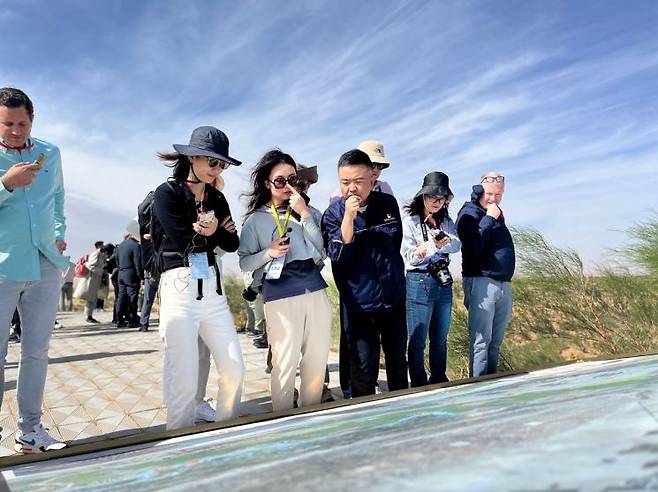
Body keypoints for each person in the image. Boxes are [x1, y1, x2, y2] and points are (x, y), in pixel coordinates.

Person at [152, 126, 244, 430]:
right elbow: (181, 240)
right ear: (192, 157)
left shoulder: (216, 196)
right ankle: (177, 440)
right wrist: (213, 234)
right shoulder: (167, 193)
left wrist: (213, 231)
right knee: (184, 377)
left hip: (213, 291)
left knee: (235, 367)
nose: (217, 169)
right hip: (179, 286)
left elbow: (233, 243)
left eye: (222, 164)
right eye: (212, 162)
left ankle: (226, 430)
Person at [0, 87, 68, 452]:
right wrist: (5, 184)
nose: (15, 130)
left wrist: (59, 235)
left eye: (22, 122)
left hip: (44, 264)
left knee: (36, 351)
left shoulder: (50, 153)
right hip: (2, 266)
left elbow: (58, 198)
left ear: (32, 119)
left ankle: (30, 431)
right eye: (7, 123)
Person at [238, 149, 332, 411]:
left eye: (292, 179)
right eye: (280, 181)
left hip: (314, 289)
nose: (288, 186)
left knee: (315, 361)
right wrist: (268, 252)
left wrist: (304, 214)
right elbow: (244, 261)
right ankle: (282, 420)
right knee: (284, 363)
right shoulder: (255, 220)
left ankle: (310, 416)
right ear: (267, 183)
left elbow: (322, 250)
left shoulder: (310, 211)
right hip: (279, 294)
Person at [322, 149, 408, 397]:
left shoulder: (387, 204)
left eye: (358, 181)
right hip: (360, 305)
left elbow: (395, 243)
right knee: (363, 372)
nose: (352, 188)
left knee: (398, 366)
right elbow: (338, 256)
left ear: (372, 178)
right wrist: (349, 217)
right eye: (345, 182)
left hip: (393, 300)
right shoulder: (333, 214)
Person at [401, 172, 461, 387]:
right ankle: (418, 382)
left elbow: (456, 245)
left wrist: (442, 240)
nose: (436, 201)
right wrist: (433, 246)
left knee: (440, 336)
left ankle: (439, 378)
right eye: (432, 197)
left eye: (441, 198)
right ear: (423, 197)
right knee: (418, 338)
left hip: (443, 280)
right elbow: (410, 257)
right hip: (419, 281)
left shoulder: (446, 221)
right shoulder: (411, 222)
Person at [456, 172, 515, 377]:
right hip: (482, 280)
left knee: (495, 343)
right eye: (490, 193)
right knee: (481, 341)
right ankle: (478, 388)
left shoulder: (494, 212)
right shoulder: (469, 213)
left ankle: (492, 386)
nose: (494, 198)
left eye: (499, 194)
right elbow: (473, 246)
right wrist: (489, 217)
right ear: (479, 189)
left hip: (502, 283)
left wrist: (492, 215)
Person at [329, 140, 394, 204]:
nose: (376, 169)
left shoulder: (384, 188)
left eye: (380, 165)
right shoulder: (337, 197)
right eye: (372, 164)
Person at [115, 220, 143, 328]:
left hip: (121, 273)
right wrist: (140, 275)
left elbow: (117, 261)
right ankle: (132, 320)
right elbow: (137, 262)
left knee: (121, 297)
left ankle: (119, 320)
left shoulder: (120, 246)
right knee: (133, 296)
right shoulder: (135, 246)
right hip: (131, 273)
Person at [73, 241, 107, 323]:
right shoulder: (95, 254)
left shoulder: (101, 254)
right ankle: (88, 316)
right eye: (102, 245)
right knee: (90, 298)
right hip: (91, 279)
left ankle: (89, 315)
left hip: (95, 279)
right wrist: (101, 271)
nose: (103, 246)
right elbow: (90, 265)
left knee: (92, 298)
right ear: (99, 246)